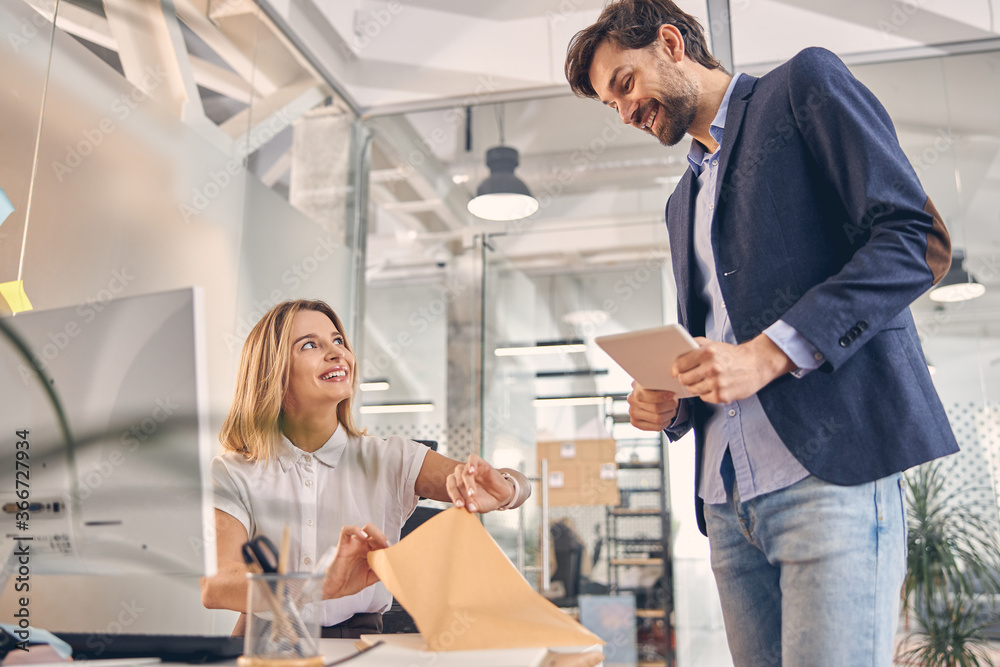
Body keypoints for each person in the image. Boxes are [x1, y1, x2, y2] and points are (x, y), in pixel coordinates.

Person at [565, 1, 958, 664]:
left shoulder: (802, 87)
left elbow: (916, 240)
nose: (625, 112)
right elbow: (720, 341)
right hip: (727, 503)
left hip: (828, 480)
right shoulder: (681, 203)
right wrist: (669, 400)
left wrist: (771, 352)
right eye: (612, 105)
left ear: (671, 43)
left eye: (625, 85)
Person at [200, 299, 531, 638]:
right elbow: (215, 585)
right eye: (310, 345)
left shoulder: (391, 459)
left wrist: (508, 488)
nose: (336, 353)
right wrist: (316, 586)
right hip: (265, 646)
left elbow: (500, 485)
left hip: (358, 645)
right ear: (273, 370)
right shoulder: (234, 471)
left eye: (338, 341)